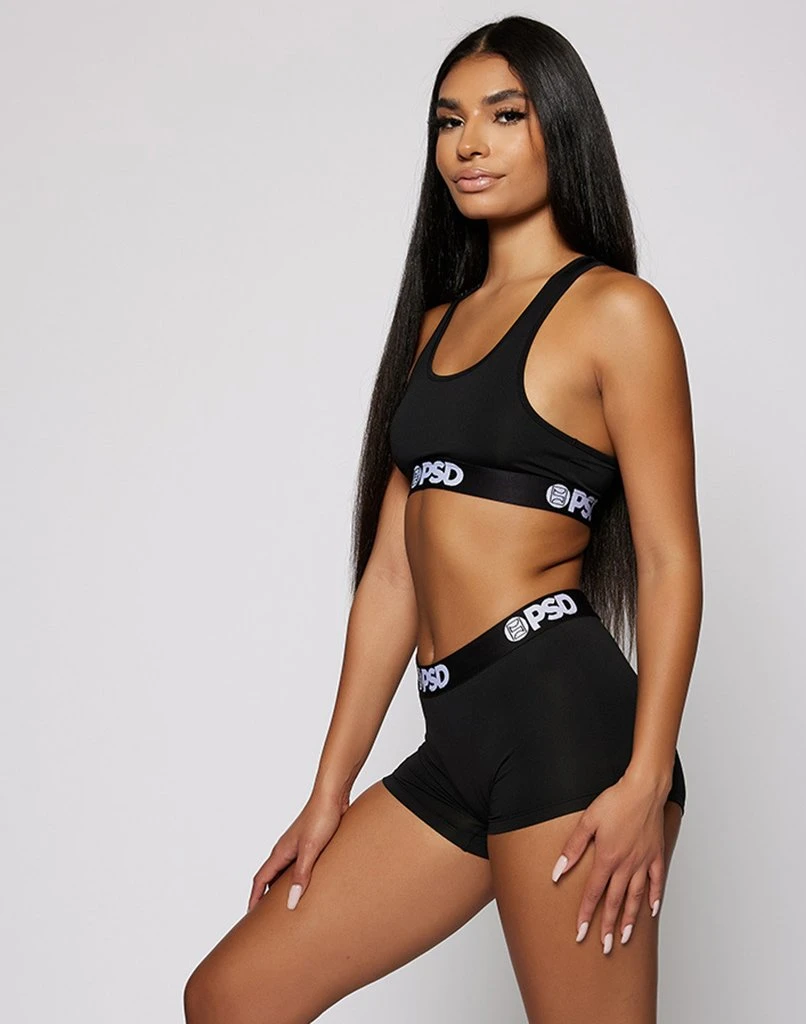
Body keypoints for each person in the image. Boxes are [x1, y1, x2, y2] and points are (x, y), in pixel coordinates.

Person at [184, 14, 701, 1024]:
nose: (469, 144)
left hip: (567, 731)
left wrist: (645, 781)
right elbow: (392, 576)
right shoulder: (433, 327)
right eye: (448, 120)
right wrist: (328, 793)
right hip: (456, 735)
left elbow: (671, 561)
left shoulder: (616, 313)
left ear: (559, 127)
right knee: (231, 997)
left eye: (504, 116)